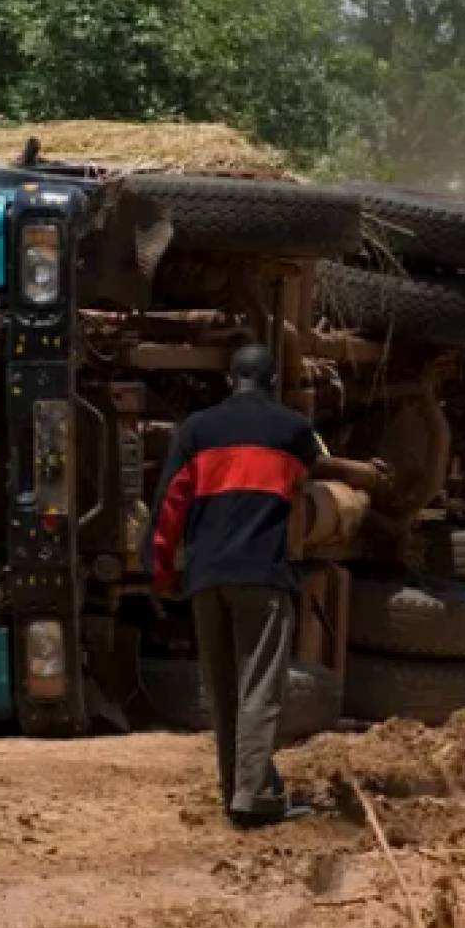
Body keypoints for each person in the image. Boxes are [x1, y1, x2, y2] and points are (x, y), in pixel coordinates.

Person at [145, 345, 321, 829]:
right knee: (259, 686)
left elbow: (168, 508)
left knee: (221, 689)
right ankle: (254, 793)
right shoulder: (294, 430)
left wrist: (161, 572)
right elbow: (308, 481)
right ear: (272, 380)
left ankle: (235, 788)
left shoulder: (196, 431)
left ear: (230, 378)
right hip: (262, 576)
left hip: (206, 578)